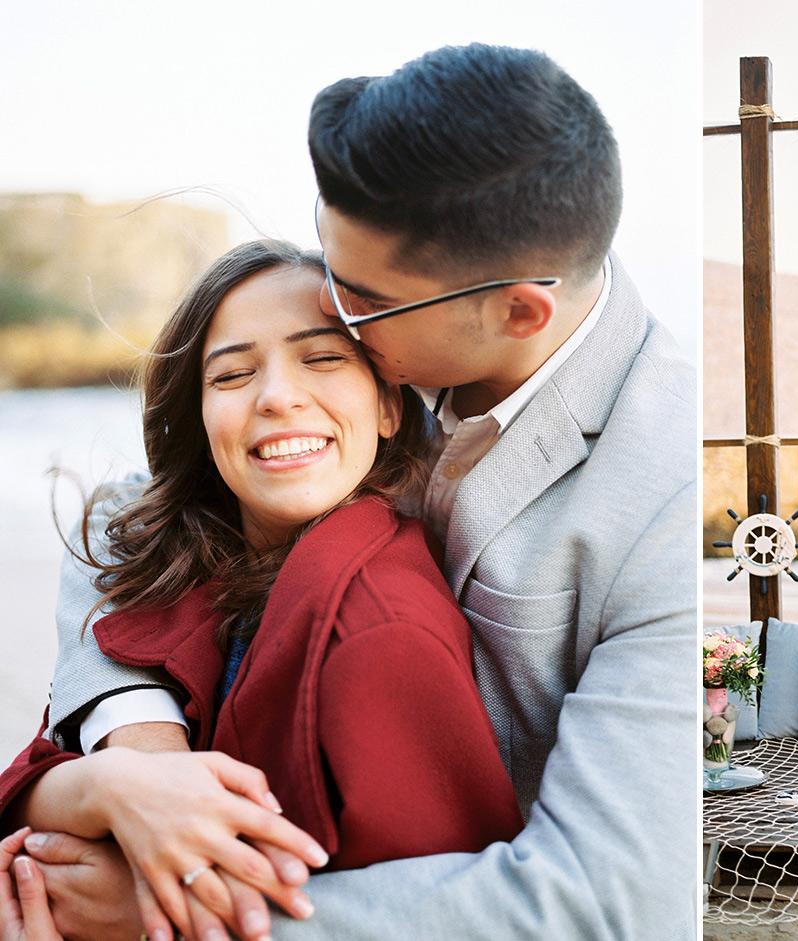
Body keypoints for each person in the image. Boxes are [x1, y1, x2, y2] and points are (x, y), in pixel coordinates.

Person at [20, 44, 696, 941]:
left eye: (359, 300)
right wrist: (141, 758)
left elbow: (615, 899)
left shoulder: (670, 498)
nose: (331, 305)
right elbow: (135, 511)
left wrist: (177, 915)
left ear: (517, 312)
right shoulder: (405, 344)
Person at [0, 240, 524, 941]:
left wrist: (168, 915)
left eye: (324, 357)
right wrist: (116, 785)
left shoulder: (379, 632)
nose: (276, 395)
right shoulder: (193, 574)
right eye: (232, 373)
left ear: (389, 407)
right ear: (201, 422)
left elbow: (452, 915)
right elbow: (40, 774)